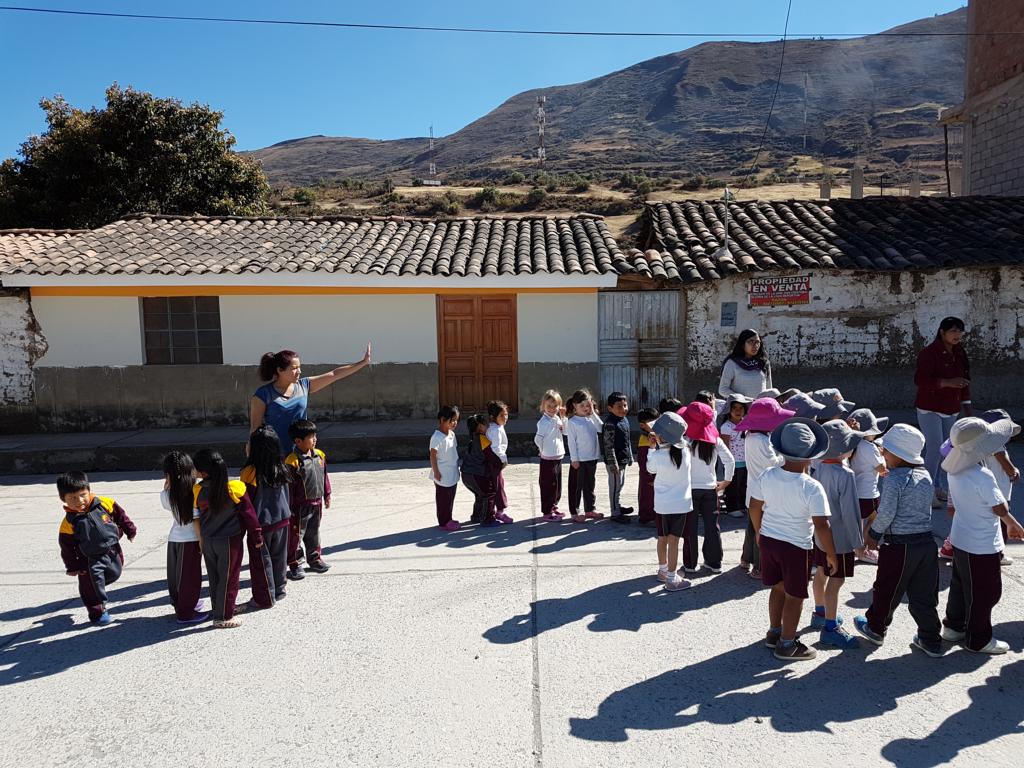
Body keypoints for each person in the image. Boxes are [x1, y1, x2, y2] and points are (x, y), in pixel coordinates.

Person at [748, 417, 836, 662]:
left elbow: (754, 506)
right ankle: (787, 644)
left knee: (776, 587)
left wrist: (758, 530)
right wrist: (831, 553)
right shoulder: (812, 487)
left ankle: (774, 632)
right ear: (811, 456)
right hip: (796, 546)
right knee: (795, 596)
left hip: (769, 539)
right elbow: (822, 525)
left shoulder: (767, 475)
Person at [853, 424, 944, 657]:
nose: (883, 454)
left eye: (886, 451)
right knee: (924, 594)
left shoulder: (895, 479)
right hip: (926, 544)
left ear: (898, 456)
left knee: (887, 589)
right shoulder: (925, 475)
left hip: (898, 546)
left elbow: (886, 513)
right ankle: (930, 638)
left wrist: (873, 535)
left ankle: (875, 627)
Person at [940, 417, 1024, 654]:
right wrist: (1012, 524)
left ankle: (953, 627)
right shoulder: (983, 476)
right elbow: (999, 506)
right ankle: (978, 639)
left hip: (960, 538)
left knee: (960, 585)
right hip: (982, 544)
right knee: (986, 592)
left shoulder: (954, 471)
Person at [250, 344, 372, 452]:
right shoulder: (263, 394)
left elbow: (335, 374)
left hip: (302, 452)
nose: (299, 371)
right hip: (275, 454)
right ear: (280, 370)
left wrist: (363, 362)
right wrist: (251, 452)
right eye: (294, 368)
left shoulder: (304, 386)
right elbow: (255, 429)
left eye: (299, 367)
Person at [193, 449, 262, 629]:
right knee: (229, 578)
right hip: (230, 540)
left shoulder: (197, 489)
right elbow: (250, 515)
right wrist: (257, 536)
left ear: (204, 473)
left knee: (214, 577)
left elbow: (196, 515)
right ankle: (224, 616)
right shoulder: (235, 488)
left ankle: (219, 609)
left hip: (208, 539)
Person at [57, 471, 137, 626]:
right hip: (88, 559)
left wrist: (130, 530)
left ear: (89, 490)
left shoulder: (105, 503)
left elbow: (122, 517)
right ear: (63, 499)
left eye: (82, 495)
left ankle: (97, 586)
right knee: (90, 585)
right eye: (73, 498)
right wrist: (73, 567)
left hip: (112, 550)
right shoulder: (68, 523)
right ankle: (97, 612)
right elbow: (66, 548)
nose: (79, 500)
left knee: (115, 573)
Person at [810, 421, 864, 649]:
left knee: (821, 572)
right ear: (844, 450)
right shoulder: (845, 474)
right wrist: (858, 542)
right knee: (837, 579)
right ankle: (831, 627)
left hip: (820, 534)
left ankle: (820, 612)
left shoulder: (816, 467)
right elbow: (851, 512)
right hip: (840, 538)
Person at [914, 317, 971, 506]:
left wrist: (968, 409)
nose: (957, 335)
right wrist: (947, 383)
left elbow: (964, 381)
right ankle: (925, 490)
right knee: (934, 447)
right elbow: (920, 380)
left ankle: (937, 485)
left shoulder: (960, 353)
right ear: (942, 332)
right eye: (953, 331)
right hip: (929, 407)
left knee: (946, 450)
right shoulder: (929, 354)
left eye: (960, 331)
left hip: (951, 408)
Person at [734, 397, 794, 578]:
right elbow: (773, 463)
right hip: (764, 491)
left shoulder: (752, 436)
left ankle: (746, 559)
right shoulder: (761, 440)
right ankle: (759, 567)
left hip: (754, 489)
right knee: (764, 530)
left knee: (753, 528)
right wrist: (786, 455)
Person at [241, 425, 294, 607]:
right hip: (283, 520)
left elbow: (247, 503)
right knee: (279, 557)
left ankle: (264, 596)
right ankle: (279, 589)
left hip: (261, 525)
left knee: (261, 562)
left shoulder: (249, 472)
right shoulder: (282, 468)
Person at [681, 401, 734, 575]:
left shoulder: (685, 440)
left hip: (689, 490)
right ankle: (714, 562)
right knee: (712, 527)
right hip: (711, 489)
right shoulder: (715, 440)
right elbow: (729, 460)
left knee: (691, 527)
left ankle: (690, 564)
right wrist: (726, 481)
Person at [647, 412, 693, 592]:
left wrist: (652, 449)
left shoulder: (658, 455)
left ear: (661, 437)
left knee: (662, 538)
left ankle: (663, 570)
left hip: (662, 505)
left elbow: (650, 468)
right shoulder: (686, 452)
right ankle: (673, 578)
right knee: (674, 541)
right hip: (681, 504)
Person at [161, 451, 207, 624]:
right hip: (191, 539)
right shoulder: (194, 492)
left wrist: (167, 483)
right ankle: (186, 613)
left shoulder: (166, 494)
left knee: (176, 576)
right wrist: (202, 540)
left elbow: (167, 504)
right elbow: (196, 520)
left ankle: (181, 605)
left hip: (174, 539)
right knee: (190, 577)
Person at [285, 419, 332, 579]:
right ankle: (295, 563)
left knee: (313, 533)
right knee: (296, 536)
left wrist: (327, 494)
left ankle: (315, 559)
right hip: (299, 507)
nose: (315, 439)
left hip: (316, 503)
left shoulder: (319, 455)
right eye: (311, 437)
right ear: (298, 441)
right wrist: (289, 507)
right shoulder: (292, 461)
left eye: (315, 436)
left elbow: (324, 476)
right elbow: (288, 487)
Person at [849, 408, 889, 566]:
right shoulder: (869, 447)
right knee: (873, 518)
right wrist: (882, 455)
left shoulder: (854, 444)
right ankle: (862, 550)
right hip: (869, 492)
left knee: (858, 522)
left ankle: (857, 548)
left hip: (855, 490)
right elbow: (881, 468)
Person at [566, 389, 604, 523]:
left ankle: (590, 509)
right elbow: (571, 442)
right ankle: (575, 511)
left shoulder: (592, 419)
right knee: (576, 487)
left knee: (590, 486)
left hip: (592, 459)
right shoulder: (572, 422)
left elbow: (601, 428)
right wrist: (574, 459)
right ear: (574, 406)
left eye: (587, 405)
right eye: (581, 405)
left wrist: (593, 413)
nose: (585, 408)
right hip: (579, 461)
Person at [535, 390, 567, 521]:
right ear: (543, 406)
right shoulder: (543, 422)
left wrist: (564, 418)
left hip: (558, 456)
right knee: (548, 485)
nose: (552, 409)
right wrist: (542, 450)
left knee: (557, 485)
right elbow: (537, 439)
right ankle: (547, 511)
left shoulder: (557, 418)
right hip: (548, 458)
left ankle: (554, 506)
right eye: (549, 406)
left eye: (555, 406)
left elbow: (565, 432)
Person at [718, 394, 752, 518]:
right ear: (729, 411)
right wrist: (728, 462)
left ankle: (742, 506)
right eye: (734, 408)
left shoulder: (746, 423)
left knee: (743, 485)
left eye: (741, 408)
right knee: (733, 486)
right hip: (734, 462)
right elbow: (726, 447)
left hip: (746, 461)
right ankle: (732, 508)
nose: (738, 411)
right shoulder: (726, 427)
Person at [602, 391, 634, 523]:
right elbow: (608, 446)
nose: (623, 409)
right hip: (614, 463)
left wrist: (631, 456)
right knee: (614, 487)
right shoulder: (610, 424)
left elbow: (627, 440)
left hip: (623, 459)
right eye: (619, 407)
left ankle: (618, 506)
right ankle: (615, 513)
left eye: (625, 406)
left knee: (620, 485)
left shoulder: (624, 420)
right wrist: (612, 463)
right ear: (610, 408)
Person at [461, 414, 498, 526]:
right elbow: (490, 456)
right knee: (489, 493)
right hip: (476, 474)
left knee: (480, 494)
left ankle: (476, 516)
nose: (487, 426)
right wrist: (500, 463)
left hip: (466, 474)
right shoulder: (483, 439)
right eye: (485, 424)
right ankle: (488, 518)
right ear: (480, 427)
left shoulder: (472, 440)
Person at [429, 406, 462, 531]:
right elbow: (433, 455)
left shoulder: (452, 434)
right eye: (451, 420)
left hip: (451, 472)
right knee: (443, 499)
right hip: (442, 474)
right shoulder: (437, 437)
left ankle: (449, 518)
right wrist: (436, 471)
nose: (454, 423)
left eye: (456, 420)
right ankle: (443, 522)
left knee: (450, 498)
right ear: (442, 420)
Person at [719, 329, 773, 400]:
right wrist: (744, 399)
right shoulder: (732, 363)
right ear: (742, 344)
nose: (755, 345)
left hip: (759, 407)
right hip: (740, 408)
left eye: (757, 342)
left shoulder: (764, 363)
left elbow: (769, 389)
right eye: (751, 341)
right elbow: (723, 390)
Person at [486, 400, 514, 524]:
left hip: (494, 461)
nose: (505, 418)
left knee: (496, 485)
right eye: (501, 415)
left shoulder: (497, 427)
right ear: (493, 417)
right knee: (498, 486)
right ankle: (500, 512)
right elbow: (496, 448)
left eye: (506, 414)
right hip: (495, 462)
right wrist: (504, 460)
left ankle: (494, 511)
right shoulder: (495, 430)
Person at [636, 407, 660, 526]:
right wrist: (650, 476)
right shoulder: (644, 440)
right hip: (648, 475)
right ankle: (646, 516)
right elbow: (642, 462)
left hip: (655, 473)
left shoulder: (655, 436)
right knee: (647, 495)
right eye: (651, 422)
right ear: (642, 425)